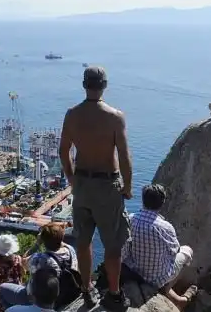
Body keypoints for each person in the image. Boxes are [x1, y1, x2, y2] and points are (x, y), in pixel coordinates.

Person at [59, 66, 132, 311]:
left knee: (83, 241)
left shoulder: (72, 115)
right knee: (112, 244)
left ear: (84, 85)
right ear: (105, 85)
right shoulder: (115, 116)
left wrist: (72, 178)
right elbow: (124, 155)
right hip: (107, 185)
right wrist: (128, 186)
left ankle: (86, 289)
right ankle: (114, 294)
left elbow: (63, 151)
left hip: (82, 184)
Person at [122, 184, 198, 311]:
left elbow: (124, 249)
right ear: (162, 203)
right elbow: (175, 251)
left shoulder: (130, 219)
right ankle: (167, 289)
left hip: (134, 272)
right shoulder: (165, 227)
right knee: (187, 251)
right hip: (156, 278)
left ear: (143, 200)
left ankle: (175, 297)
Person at [0, 222, 79, 309]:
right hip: (65, 293)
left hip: (38, 298)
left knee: (2, 289)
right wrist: (56, 236)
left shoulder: (40, 258)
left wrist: (37, 244)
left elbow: (23, 261)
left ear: (43, 240)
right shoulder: (70, 249)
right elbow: (60, 242)